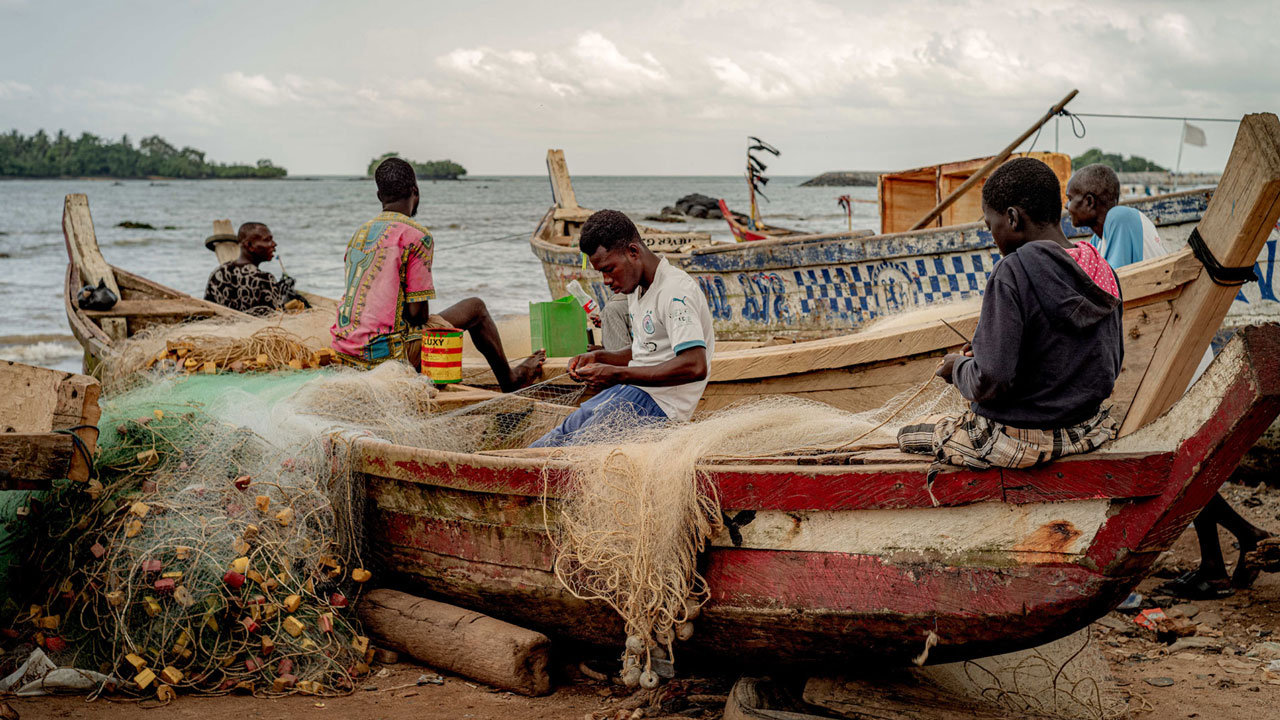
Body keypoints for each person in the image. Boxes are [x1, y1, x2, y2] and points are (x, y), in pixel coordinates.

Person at [1069, 165, 1275, 598]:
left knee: (1182, 467)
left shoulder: (1122, 219)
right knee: (1187, 465)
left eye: (1072, 198)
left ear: (1091, 201)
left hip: (1176, 362)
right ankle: (1220, 562)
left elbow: (1117, 294)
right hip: (1163, 361)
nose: (1067, 207)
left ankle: (1240, 542)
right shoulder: (1101, 238)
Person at [897, 158, 1123, 481]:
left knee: (907, 436)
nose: (992, 236)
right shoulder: (1101, 268)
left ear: (1013, 218)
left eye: (991, 226)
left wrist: (957, 368)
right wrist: (987, 349)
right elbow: (1109, 363)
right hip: (1086, 431)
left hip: (1018, 441)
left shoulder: (1012, 272)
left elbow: (992, 379)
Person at [329, 157, 543, 391]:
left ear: (379, 196)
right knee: (476, 308)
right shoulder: (416, 235)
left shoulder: (359, 235)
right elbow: (418, 315)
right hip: (386, 356)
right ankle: (510, 380)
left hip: (346, 350)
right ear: (415, 191)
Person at [531, 210, 714, 447]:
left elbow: (695, 365)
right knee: (554, 439)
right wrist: (599, 356)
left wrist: (615, 374)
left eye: (609, 269)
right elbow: (645, 351)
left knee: (570, 453)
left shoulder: (675, 291)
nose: (606, 281)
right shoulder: (637, 288)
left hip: (659, 405)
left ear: (633, 252)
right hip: (629, 391)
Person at [1066, 163, 1165, 267]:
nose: (1066, 206)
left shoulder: (1121, 217)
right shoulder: (1098, 239)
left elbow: (1115, 279)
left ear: (1090, 202)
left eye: (1070, 199)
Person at [204, 222, 298, 315]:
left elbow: (207, 309)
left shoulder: (218, 274)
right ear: (249, 245)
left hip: (224, 329)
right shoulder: (264, 280)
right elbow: (279, 320)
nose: (274, 244)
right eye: (267, 240)